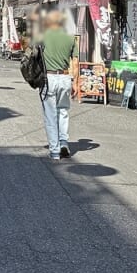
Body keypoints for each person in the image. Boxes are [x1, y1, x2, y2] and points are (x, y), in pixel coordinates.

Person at [38, 10, 78, 161]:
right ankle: (64, 143)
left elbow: (31, 54)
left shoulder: (43, 37)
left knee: (50, 115)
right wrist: (75, 81)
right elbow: (75, 61)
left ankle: (55, 150)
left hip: (48, 78)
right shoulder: (70, 38)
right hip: (65, 77)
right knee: (63, 112)